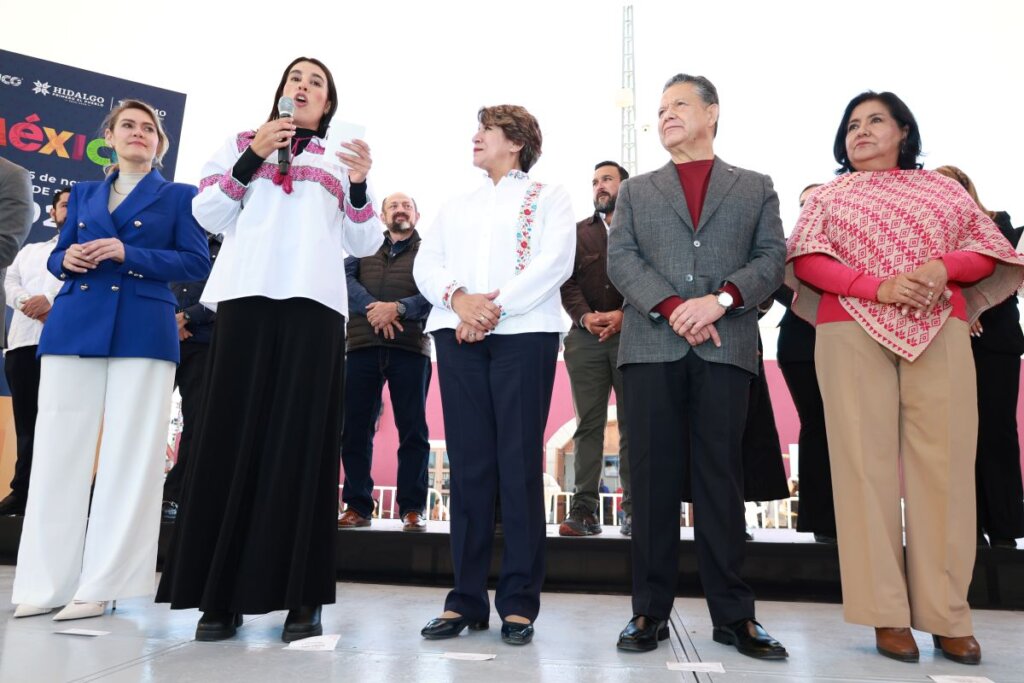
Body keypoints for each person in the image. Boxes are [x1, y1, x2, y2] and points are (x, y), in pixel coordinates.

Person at [787, 91, 1024, 665]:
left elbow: (986, 252)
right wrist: (879, 286)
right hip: (849, 328)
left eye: (875, 121)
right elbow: (808, 261)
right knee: (862, 470)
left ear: (904, 131)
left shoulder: (942, 190)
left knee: (944, 469)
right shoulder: (827, 196)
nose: (861, 132)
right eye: (851, 125)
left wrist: (942, 266)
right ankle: (886, 615)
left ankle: (948, 616)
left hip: (938, 324)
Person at [155, 57, 384, 643]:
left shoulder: (341, 158)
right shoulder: (238, 144)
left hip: (313, 306)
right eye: (295, 80)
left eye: (316, 83)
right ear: (280, 92)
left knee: (301, 445)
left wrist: (360, 184)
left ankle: (302, 597)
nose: (303, 88)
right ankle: (218, 595)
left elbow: (364, 239)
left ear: (328, 104)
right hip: (244, 301)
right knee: (230, 439)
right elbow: (207, 212)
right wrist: (253, 154)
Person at [608, 73, 788, 659]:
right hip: (651, 347)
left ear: (713, 113)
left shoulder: (754, 186)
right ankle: (648, 612)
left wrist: (722, 300)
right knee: (653, 483)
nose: (665, 116)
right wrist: (672, 307)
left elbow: (771, 258)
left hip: (726, 345)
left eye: (679, 105)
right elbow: (622, 260)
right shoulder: (636, 191)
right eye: (660, 109)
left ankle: (734, 617)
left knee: (720, 482)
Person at [11, 99, 211, 621]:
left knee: (130, 458)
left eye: (149, 128)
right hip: (75, 321)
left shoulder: (180, 196)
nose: (139, 133)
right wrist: (64, 258)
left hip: (143, 328)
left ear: (160, 143)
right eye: (129, 126)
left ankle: (104, 584)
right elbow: (58, 255)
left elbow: (195, 260)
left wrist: (129, 254)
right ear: (111, 136)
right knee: (57, 452)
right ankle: (44, 582)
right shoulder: (82, 194)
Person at [414, 104, 575, 646]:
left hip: (524, 336)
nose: (476, 138)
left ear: (516, 142)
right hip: (455, 335)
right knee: (470, 467)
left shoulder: (548, 196)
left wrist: (492, 310)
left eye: (486, 130)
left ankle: (518, 603)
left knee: (518, 466)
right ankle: (464, 600)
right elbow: (426, 262)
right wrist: (460, 301)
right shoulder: (455, 205)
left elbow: (554, 261)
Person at [934, 165, 1023, 550]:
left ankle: (1003, 526)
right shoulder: (925, 234)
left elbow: (1001, 272)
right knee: (954, 436)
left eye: (954, 187)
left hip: (996, 342)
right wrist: (961, 310)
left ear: (967, 190)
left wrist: (973, 309)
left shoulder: (996, 221)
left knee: (997, 431)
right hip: (946, 340)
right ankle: (968, 529)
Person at [338, 191, 432, 532]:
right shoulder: (363, 248)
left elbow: (435, 292)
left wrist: (399, 309)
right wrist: (374, 309)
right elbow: (344, 280)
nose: (400, 210)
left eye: (407, 205)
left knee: (413, 431)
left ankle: (412, 507)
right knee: (355, 429)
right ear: (382, 215)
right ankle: (358, 505)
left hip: (410, 348)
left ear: (417, 216)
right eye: (393, 205)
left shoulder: (430, 253)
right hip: (362, 345)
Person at [559, 161, 632, 538]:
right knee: (588, 425)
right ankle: (584, 511)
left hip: (633, 336)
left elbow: (650, 277)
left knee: (634, 425)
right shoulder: (576, 234)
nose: (599, 187)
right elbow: (566, 283)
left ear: (625, 185)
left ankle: (635, 511)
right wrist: (587, 318)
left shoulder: (641, 230)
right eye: (594, 182)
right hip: (584, 339)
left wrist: (623, 315)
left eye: (607, 179)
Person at [772, 183, 838, 544]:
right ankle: (821, 522)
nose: (807, 207)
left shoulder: (852, 236)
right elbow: (771, 284)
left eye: (813, 200)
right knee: (818, 425)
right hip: (800, 343)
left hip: (847, 341)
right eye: (802, 203)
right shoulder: (788, 245)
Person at [0, 189, 67, 516]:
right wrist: (29, 303)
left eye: (75, 205)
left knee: (61, 425)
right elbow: (9, 282)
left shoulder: (89, 249)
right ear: (52, 213)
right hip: (24, 344)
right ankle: (21, 493)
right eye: (63, 205)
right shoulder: (30, 251)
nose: (68, 210)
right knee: (28, 425)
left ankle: (52, 499)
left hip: (66, 347)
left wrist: (52, 301)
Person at [161, 232, 221, 523]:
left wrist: (187, 318)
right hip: (159, 338)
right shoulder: (174, 240)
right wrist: (171, 320)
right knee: (141, 418)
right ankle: (125, 491)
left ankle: (173, 494)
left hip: (204, 342)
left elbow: (229, 289)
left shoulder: (232, 243)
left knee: (196, 423)